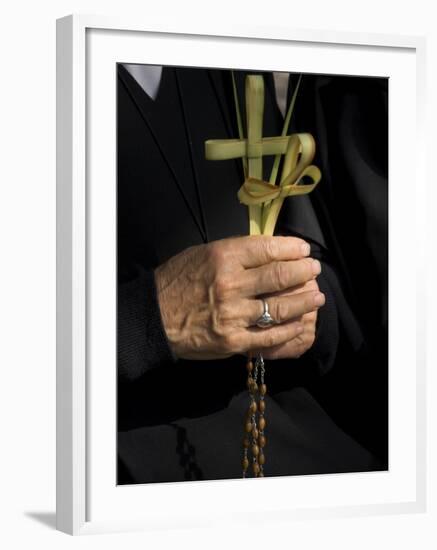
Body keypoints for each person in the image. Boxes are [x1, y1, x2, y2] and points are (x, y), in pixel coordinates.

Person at [117, 63, 388, 483]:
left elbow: (332, 260)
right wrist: (152, 319)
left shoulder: (234, 57)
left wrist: (306, 305)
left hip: (301, 438)